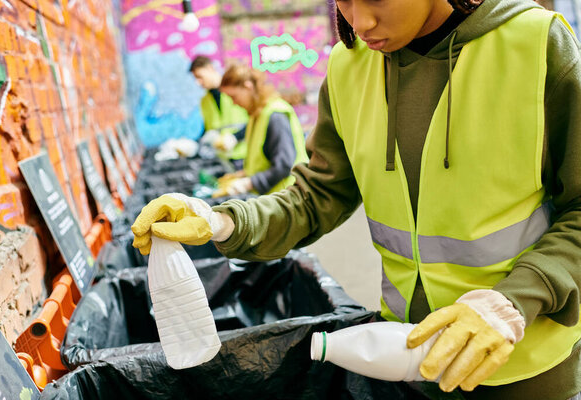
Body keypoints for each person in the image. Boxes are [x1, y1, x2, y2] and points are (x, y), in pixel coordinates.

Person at [132, 0, 581, 398]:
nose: (359, 20)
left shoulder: (536, 45)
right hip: (405, 362)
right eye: (342, 0)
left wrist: (513, 303)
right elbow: (315, 196)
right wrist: (222, 221)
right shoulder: (348, 67)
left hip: (522, 370)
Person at [215, 64, 308, 195]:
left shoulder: (275, 115)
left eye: (233, 97)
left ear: (248, 87)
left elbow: (284, 165)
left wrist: (249, 183)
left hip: (289, 198)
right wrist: (243, 175)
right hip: (275, 198)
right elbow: (264, 160)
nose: (234, 103)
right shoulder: (258, 115)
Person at [190, 56, 249, 161]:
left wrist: (235, 137)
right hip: (223, 158)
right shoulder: (205, 101)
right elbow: (209, 129)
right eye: (195, 78)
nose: (197, 82)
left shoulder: (234, 91)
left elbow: (254, 119)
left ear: (210, 68)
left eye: (199, 76)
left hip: (246, 155)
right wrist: (193, 144)